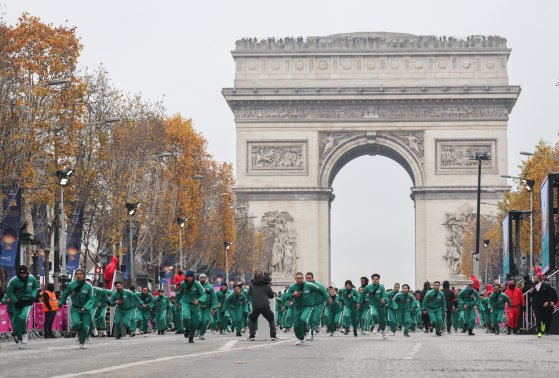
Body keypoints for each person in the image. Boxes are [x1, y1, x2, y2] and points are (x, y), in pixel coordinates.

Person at [285, 271, 329, 345]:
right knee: (296, 326)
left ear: (303, 278)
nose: (299, 280)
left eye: (301, 278)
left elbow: (320, 290)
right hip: (297, 307)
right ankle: (301, 338)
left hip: (307, 306)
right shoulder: (292, 286)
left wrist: (327, 297)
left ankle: (307, 331)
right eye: (297, 278)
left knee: (303, 319)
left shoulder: (309, 285)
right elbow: (285, 296)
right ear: (295, 279)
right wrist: (293, 295)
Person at [58, 268, 95, 349]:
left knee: (85, 327)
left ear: (84, 275)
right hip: (75, 308)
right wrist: (60, 303)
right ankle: (80, 333)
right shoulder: (71, 285)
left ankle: (82, 342)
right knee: (76, 324)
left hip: (86, 310)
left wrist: (86, 307)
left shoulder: (89, 286)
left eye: (80, 274)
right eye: (77, 274)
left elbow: (91, 299)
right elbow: (65, 294)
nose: (78, 275)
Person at [6, 265, 39, 348]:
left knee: (23, 317)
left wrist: (33, 296)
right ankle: (20, 340)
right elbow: (9, 292)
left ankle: (24, 334)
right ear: (19, 273)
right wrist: (15, 300)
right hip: (17, 304)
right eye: (21, 273)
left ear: (27, 272)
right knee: (15, 323)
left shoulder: (32, 279)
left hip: (28, 303)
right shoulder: (13, 281)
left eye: (24, 273)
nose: (23, 275)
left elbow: (35, 287)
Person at [175, 269, 207, 343]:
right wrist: (177, 303)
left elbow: (203, 294)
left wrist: (199, 300)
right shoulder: (182, 284)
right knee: (186, 317)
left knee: (194, 323)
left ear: (193, 277)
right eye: (187, 276)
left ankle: (191, 337)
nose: (189, 278)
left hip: (195, 305)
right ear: (185, 277)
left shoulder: (197, 284)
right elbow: (178, 294)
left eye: (190, 277)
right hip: (185, 303)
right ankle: (187, 328)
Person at [247, 271, 278, 341]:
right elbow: (271, 296)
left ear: (254, 277)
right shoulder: (266, 286)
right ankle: (273, 335)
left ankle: (252, 335)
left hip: (255, 306)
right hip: (265, 305)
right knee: (271, 318)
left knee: (252, 319)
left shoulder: (251, 286)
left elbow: (249, 294)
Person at [358, 273, 388, 339]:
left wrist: (384, 299)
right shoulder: (368, 287)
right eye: (374, 279)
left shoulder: (382, 287)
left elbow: (385, 296)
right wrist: (359, 303)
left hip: (380, 306)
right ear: (372, 280)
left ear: (378, 280)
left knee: (383, 321)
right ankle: (376, 324)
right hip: (372, 304)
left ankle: (383, 331)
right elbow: (362, 295)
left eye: (376, 279)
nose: (375, 280)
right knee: (373, 314)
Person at [305, 272, 328, 339]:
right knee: (309, 319)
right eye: (307, 278)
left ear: (312, 278)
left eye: (310, 278)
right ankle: (310, 334)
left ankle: (317, 324)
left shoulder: (318, 285)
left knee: (315, 318)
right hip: (310, 304)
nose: (308, 280)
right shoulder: (305, 285)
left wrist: (327, 300)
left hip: (319, 304)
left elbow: (325, 292)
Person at [197, 274, 217, 340]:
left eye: (203, 278)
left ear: (206, 278)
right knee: (199, 319)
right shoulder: (196, 285)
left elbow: (214, 298)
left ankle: (201, 334)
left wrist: (214, 308)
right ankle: (196, 330)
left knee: (205, 321)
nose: (202, 279)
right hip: (198, 307)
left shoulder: (210, 287)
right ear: (199, 279)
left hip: (207, 308)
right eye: (201, 278)